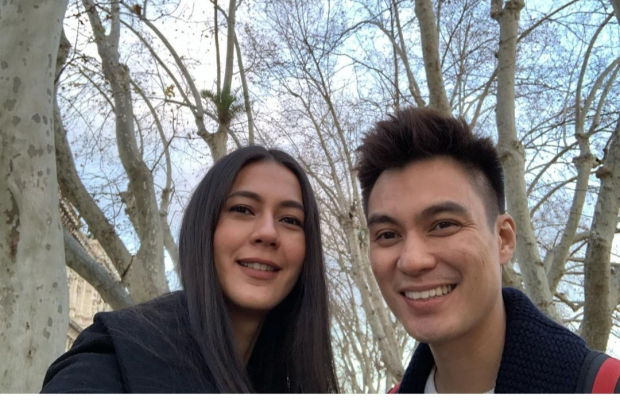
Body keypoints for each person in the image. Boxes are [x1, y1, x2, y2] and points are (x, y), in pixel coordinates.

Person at [355, 107, 620, 393]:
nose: (412, 260)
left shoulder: (603, 388)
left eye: (443, 225)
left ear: (503, 239)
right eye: (388, 235)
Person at [42, 146, 339, 393]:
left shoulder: (289, 382)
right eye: (242, 209)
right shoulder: (115, 358)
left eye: (290, 220)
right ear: (204, 228)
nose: (268, 232)